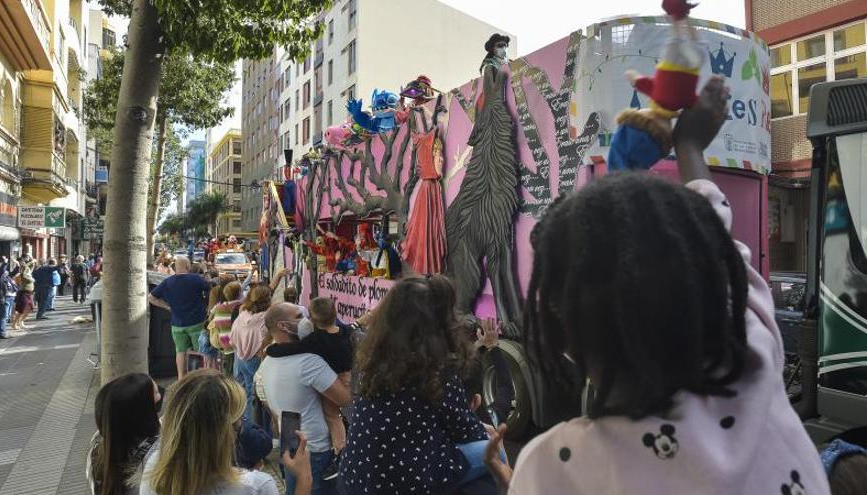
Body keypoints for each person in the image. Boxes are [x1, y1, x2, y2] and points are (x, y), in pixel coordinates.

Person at [499, 77, 830, 495]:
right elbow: (715, 244)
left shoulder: (556, 469)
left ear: (561, 332)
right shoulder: (755, 364)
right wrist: (690, 147)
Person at [339, 276, 492, 495]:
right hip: (410, 482)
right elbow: (468, 432)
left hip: (355, 479)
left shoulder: (372, 363)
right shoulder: (437, 369)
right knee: (494, 450)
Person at [254, 302, 352, 495]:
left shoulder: (268, 360)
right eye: (299, 317)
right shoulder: (308, 363)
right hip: (316, 448)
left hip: (290, 441)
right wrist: (346, 377)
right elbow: (344, 399)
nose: (306, 321)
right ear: (282, 325)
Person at [140, 369, 279, 495]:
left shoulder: (154, 469)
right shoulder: (257, 486)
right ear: (226, 433)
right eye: (238, 421)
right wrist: (301, 479)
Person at [86, 373, 161, 495]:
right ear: (144, 413)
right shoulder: (156, 457)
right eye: (157, 394)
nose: (161, 395)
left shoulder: (98, 446)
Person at [148, 255, 211, 380]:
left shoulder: (167, 282)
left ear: (175, 267)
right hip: (196, 322)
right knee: (200, 350)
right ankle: (199, 377)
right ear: (188, 267)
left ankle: (181, 378)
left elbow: (151, 297)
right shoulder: (195, 279)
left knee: (180, 351)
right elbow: (210, 287)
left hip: (177, 324)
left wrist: (167, 307)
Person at [228, 284, 271, 421]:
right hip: (256, 360)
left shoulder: (242, 315)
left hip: (241, 359)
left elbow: (232, 338)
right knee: (258, 396)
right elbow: (264, 341)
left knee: (246, 392)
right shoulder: (265, 319)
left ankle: (245, 421)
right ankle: (256, 425)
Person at [12, 255, 36, 329]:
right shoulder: (23, 268)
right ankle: (14, 324)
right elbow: (24, 274)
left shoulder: (27, 268)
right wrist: (32, 280)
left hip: (29, 292)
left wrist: (32, 259)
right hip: (23, 292)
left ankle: (21, 321)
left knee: (31, 308)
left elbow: (32, 266)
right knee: (21, 309)